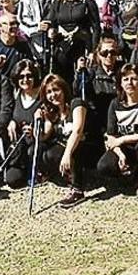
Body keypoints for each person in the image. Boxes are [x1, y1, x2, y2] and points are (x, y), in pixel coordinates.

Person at [97, 64, 138, 201]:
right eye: (125, 79)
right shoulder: (115, 104)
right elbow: (111, 136)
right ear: (120, 83)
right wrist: (120, 154)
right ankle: (130, 176)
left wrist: (122, 139)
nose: (130, 83)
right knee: (104, 166)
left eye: (134, 79)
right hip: (126, 149)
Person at [39, 74, 101, 208]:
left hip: (90, 147)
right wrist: (39, 121)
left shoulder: (77, 104)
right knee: (49, 154)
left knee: (74, 147)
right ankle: (71, 177)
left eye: (56, 90)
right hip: (74, 147)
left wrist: (67, 154)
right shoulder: (54, 112)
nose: (53, 95)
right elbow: (43, 137)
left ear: (63, 89)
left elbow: (77, 131)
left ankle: (78, 191)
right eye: (48, 92)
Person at [0, 60, 47, 188]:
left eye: (29, 76)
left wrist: (35, 131)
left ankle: (42, 172)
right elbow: (10, 112)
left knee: (32, 151)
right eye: (21, 77)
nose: (25, 80)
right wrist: (12, 121)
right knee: (13, 180)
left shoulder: (43, 95)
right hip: (19, 145)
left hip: (38, 143)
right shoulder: (17, 94)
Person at [46, 0, 101, 83]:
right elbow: (51, 22)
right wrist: (50, 30)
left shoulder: (87, 2)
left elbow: (96, 28)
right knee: (62, 81)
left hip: (81, 47)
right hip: (61, 48)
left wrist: (93, 51)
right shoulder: (58, 3)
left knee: (80, 82)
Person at [73, 35, 122, 148]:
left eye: (113, 52)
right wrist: (80, 72)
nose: (109, 56)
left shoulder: (123, 72)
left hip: (118, 117)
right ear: (98, 54)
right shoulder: (91, 73)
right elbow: (77, 91)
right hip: (98, 118)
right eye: (105, 53)